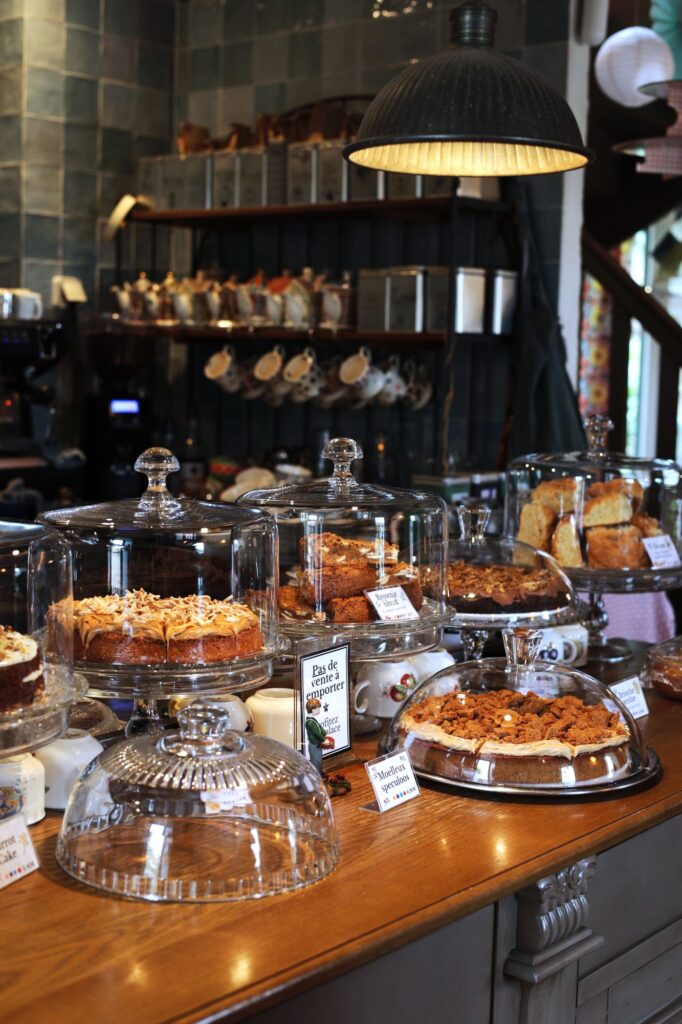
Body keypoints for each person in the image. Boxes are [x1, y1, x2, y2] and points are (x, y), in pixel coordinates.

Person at [304, 697, 334, 773]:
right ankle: (317, 776)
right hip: (314, 745)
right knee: (316, 761)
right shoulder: (310, 722)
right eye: (318, 709)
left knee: (319, 759)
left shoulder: (313, 719)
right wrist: (324, 740)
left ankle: (319, 773)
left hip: (317, 744)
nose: (319, 710)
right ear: (312, 709)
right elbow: (317, 733)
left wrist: (324, 732)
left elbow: (319, 727)